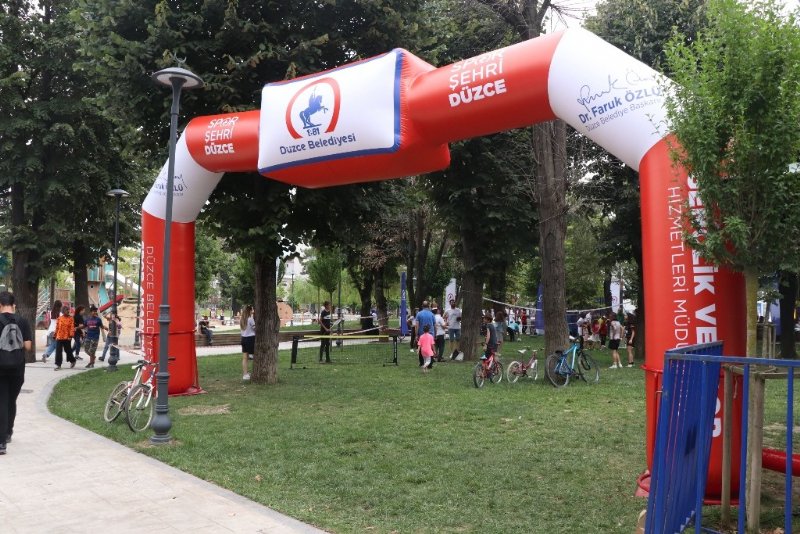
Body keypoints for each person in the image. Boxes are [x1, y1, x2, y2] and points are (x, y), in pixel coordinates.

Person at [0, 291, 32, 455]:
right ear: (14, 305)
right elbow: (28, 347)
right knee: (11, 400)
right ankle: (8, 432)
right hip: (18, 368)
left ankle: (1, 442)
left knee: (2, 401)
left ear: (0, 305)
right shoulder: (23, 321)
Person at [54, 305, 76, 370]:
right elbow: (57, 328)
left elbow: (72, 328)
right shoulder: (59, 318)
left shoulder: (71, 318)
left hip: (67, 337)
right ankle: (58, 365)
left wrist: (71, 336)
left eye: (68, 310)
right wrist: (55, 335)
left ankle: (73, 360)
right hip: (59, 337)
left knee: (68, 351)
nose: (68, 311)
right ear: (63, 311)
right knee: (58, 351)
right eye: (66, 310)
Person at [415, 301, 435, 368]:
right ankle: (430, 363)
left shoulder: (419, 314)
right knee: (430, 348)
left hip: (421, 334)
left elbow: (417, 325)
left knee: (421, 347)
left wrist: (416, 334)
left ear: (422, 306)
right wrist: (435, 333)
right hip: (431, 333)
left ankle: (422, 363)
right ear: (428, 306)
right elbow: (434, 324)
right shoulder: (431, 314)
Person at [240, 305, 255, 380]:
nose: (253, 311)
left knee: (245, 358)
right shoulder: (250, 319)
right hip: (250, 339)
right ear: (249, 311)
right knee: (254, 356)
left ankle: (245, 374)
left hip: (243, 339)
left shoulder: (242, 319)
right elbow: (255, 328)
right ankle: (255, 372)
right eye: (252, 310)